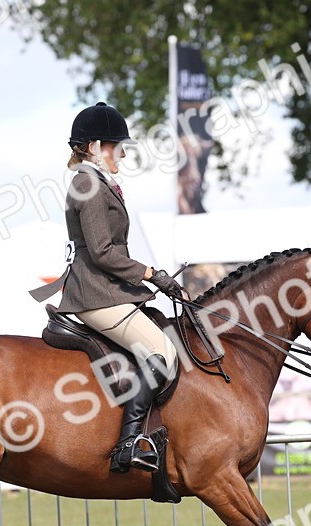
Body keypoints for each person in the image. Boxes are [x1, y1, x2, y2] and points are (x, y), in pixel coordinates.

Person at [34, 101, 185, 474]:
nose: (122, 153)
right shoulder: (87, 182)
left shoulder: (99, 182)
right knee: (162, 352)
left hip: (107, 288)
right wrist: (151, 274)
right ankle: (129, 444)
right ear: (95, 146)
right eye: (117, 146)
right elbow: (102, 252)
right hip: (95, 292)